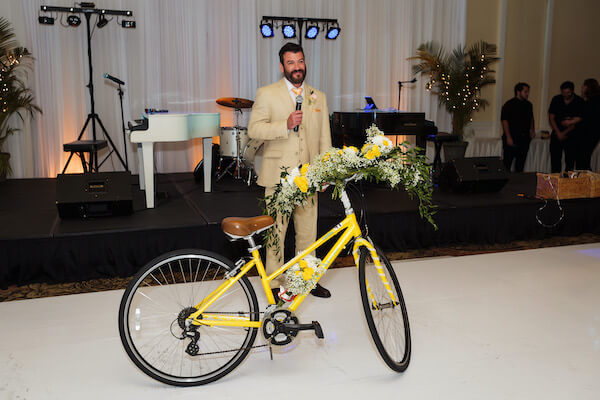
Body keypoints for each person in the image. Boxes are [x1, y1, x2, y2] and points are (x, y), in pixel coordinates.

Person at [248, 43, 332, 298]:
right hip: (277, 175)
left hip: (309, 177)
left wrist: (325, 172)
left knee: (308, 232)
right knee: (276, 233)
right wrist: (283, 124)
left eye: (300, 61)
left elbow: (324, 139)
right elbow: (254, 130)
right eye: (291, 62)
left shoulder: (318, 96)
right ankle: (274, 284)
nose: (297, 67)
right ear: (282, 66)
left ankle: (306, 279)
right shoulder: (267, 93)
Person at [548, 81, 585, 172]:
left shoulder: (579, 101)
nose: (565, 95)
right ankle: (555, 180)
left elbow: (579, 119)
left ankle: (567, 182)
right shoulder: (556, 99)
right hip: (557, 133)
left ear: (572, 91)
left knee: (570, 161)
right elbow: (551, 117)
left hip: (572, 135)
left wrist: (564, 132)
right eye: (563, 93)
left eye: (568, 93)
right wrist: (558, 132)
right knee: (555, 160)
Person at [501, 82, 535, 172]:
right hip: (512, 136)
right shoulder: (509, 104)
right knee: (507, 163)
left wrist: (532, 130)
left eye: (528, 92)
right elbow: (504, 121)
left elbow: (531, 118)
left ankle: (519, 183)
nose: (527, 94)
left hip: (524, 138)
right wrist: (508, 136)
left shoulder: (528, 105)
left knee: (520, 164)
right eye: (525, 92)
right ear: (518, 92)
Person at [577, 78, 600, 170]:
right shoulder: (595, 100)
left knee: (582, 159)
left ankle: (585, 180)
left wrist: (572, 121)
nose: (581, 88)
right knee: (584, 158)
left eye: (583, 86)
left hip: (588, 133)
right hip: (593, 133)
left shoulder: (591, 102)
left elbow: (584, 117)